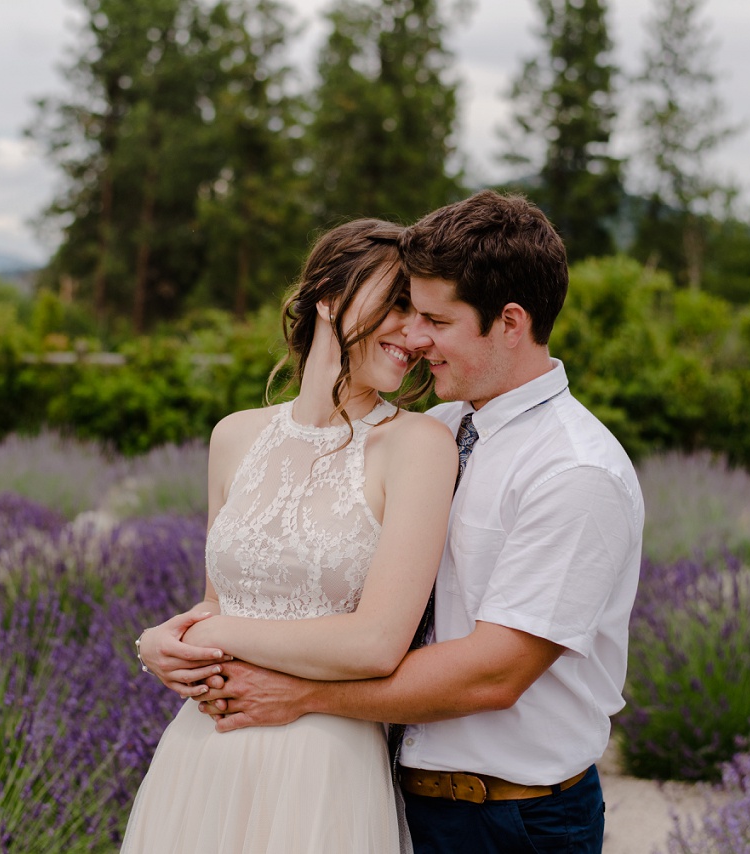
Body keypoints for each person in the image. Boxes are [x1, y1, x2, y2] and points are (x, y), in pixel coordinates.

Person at [190, 190, 645, 854]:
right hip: (396, 792)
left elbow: (494, 673)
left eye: (437, 319)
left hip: (513, 820)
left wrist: (301, 697)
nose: (417, 337)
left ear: (510, 322)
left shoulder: (574, 471)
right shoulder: (439, 430)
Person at [120, 219, 459, 853]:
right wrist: (161, 642)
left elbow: (378, 644)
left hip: (322, 767)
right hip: (203, 755)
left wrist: (215, 634)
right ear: (329, 297)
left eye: (422, 314)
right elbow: (220, 603)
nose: (413, 333)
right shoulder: (235, 436)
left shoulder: (418, 446)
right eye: (397, 303)